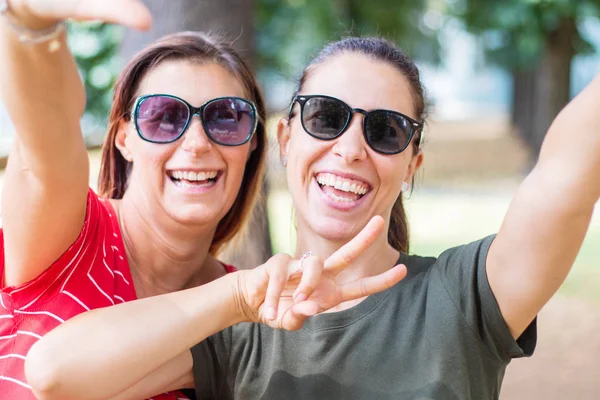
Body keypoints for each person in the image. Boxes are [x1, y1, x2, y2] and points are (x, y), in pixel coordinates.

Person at [26, 36, 600, 400]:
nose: (351, 149)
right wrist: (240, 299)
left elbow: (567, 173)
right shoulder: (236, 321)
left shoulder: (467, 294)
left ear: (412, 164)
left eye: (385, 130)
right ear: (283, 139)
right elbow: (54, 373)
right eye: (326, 117)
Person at [0, 0, 269, 399]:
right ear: (124, 138)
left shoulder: (252, 312)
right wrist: (32, 29)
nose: (196, 143)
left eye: (226, 118)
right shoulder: (72, 237)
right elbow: (48, 141)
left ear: (251, 144)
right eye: (164, 116)